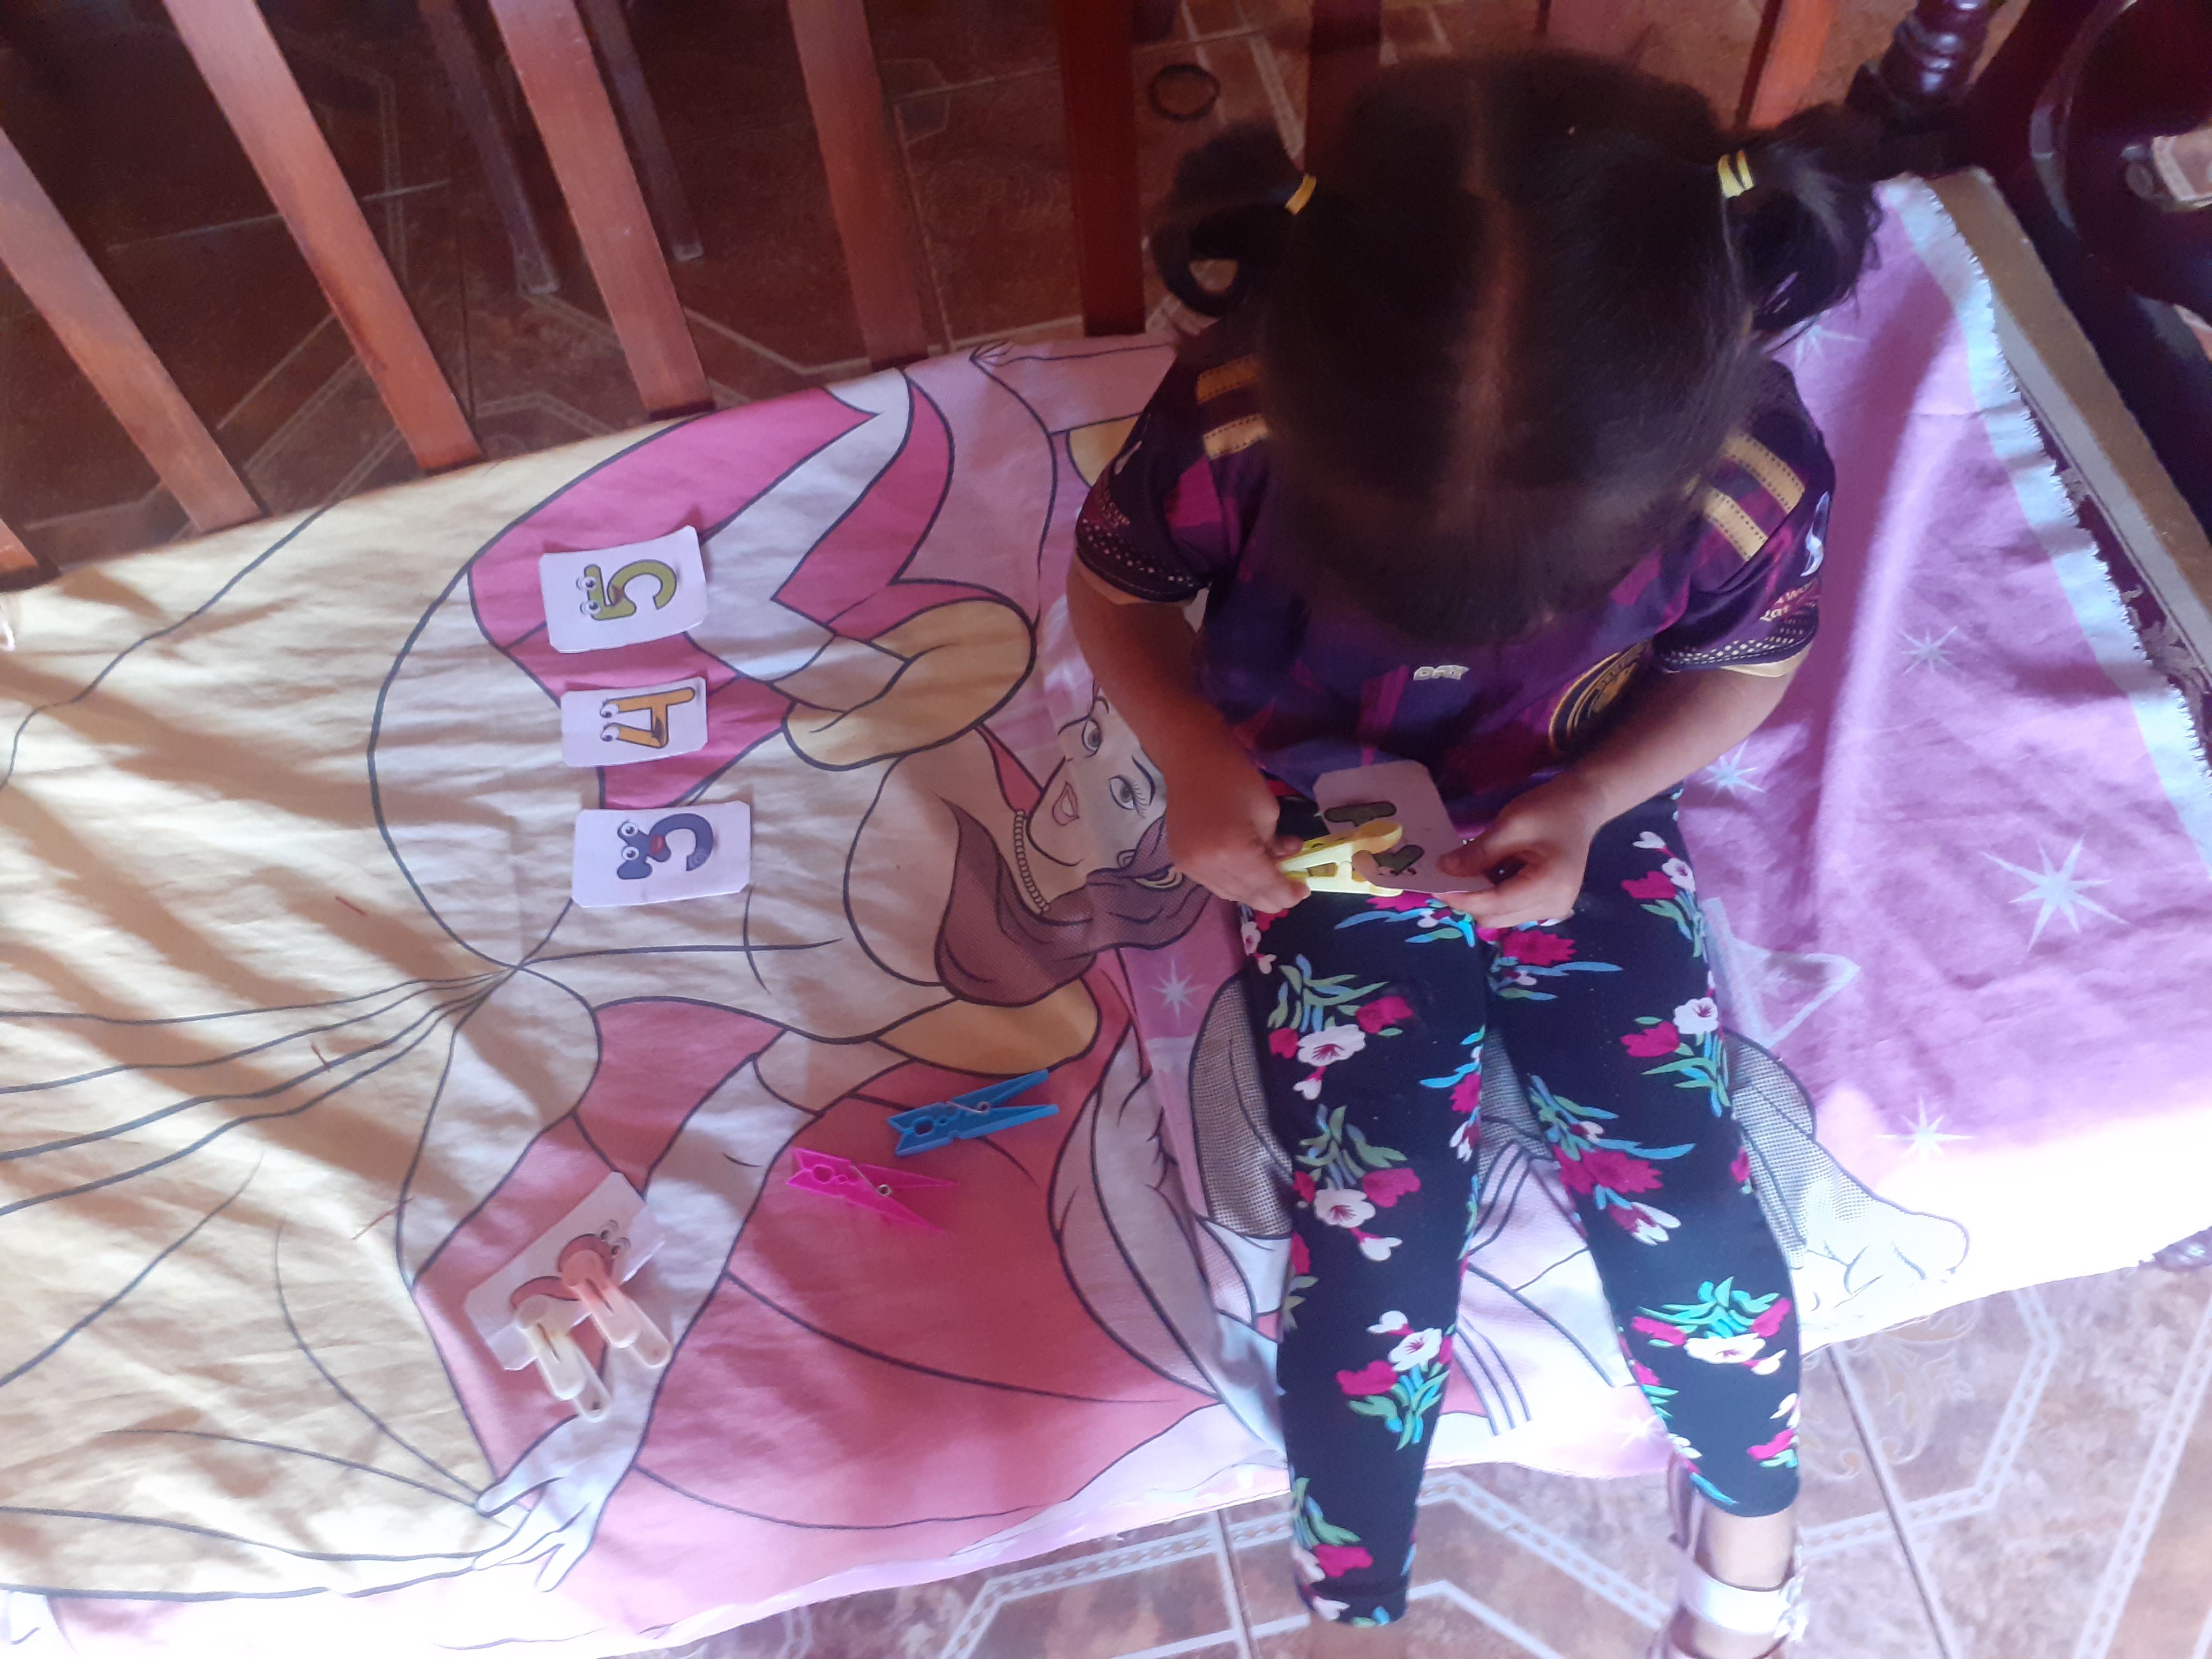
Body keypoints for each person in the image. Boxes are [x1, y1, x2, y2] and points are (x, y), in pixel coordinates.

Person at [1067, 49, 1878, 1659]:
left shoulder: (1747, 481)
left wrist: (1593, 799)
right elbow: (1120, 594)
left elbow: (1749, 668)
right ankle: (1354, 1605)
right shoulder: (1233, 424)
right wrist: (1196, 755)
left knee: (1685, 1187)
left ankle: (1751, 1546)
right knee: (1376, 1236)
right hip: (1313, 831)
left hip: (1579, 815)